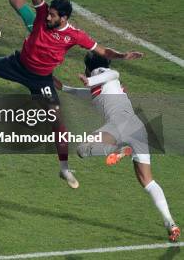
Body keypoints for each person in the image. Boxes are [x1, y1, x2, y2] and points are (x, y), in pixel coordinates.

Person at [0, 0, 143, 188]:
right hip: (16, 65)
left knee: (58, 123)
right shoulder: (43, 14)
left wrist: (122, 55)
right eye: (49, 13)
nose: (49, 17)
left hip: (42, 80)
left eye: (53, 15)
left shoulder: (75, 35)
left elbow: (102, 51)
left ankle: (64, 169)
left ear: (63, 18)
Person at [55, 52, 179, 242]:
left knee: (82, 149)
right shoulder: (99, 89)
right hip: (138, 128)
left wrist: (90, 79)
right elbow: (70, 90)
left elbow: (111, 74)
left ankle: (120, 150)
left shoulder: (104, 74)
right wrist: (51, 80)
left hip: (118, 128)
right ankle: (170, 222)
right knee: (148, 181)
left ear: (89, 68)